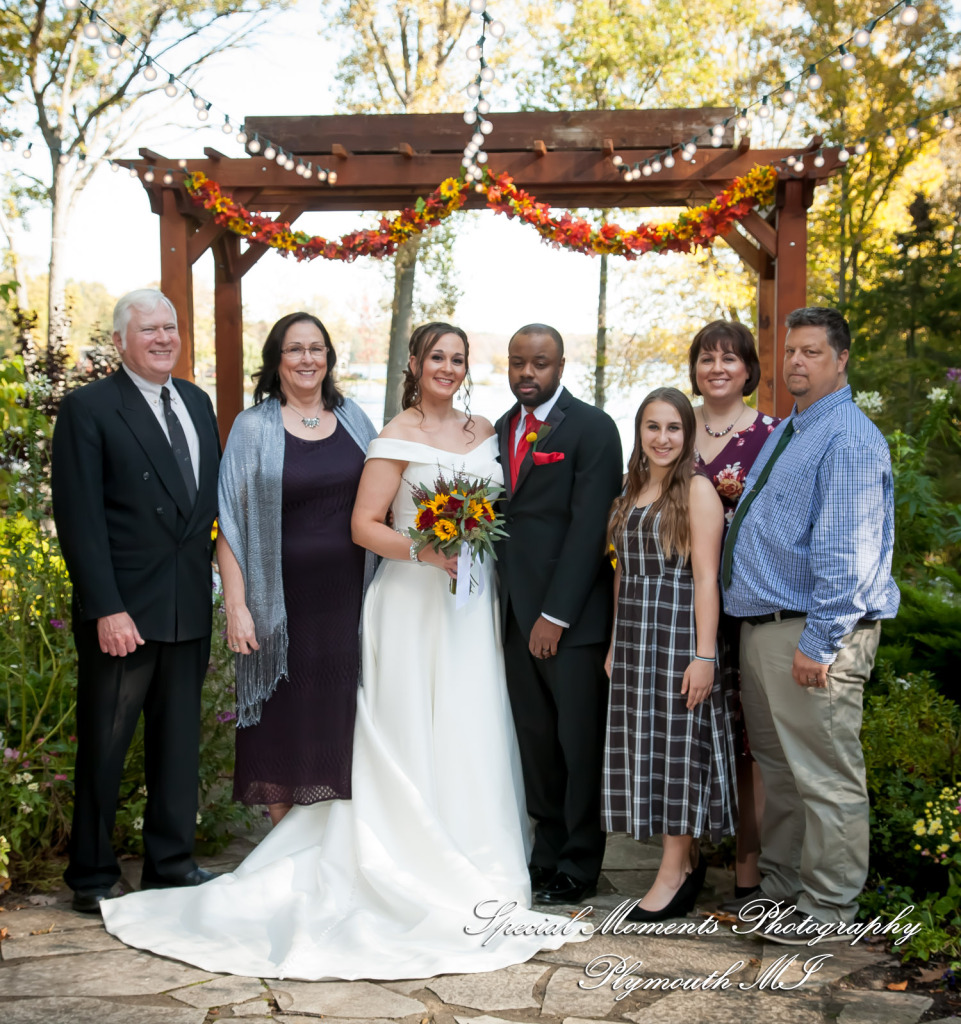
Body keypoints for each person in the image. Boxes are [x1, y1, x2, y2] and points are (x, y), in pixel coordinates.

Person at [101, 322, 588, 978]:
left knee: (470, 724)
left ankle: (475, 850)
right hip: (407, 599)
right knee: (396, 729)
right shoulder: (383, 431)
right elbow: (356, 524)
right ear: (414, 363)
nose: (446, 367)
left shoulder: (482, 431)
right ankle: (403, 855)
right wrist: (425, 549)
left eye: (457, 358)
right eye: (435, 357)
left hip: (470, 608)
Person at [721, 307, 900, 940]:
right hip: (765, 628)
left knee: (825, 777)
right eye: (792, 350)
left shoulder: (847, 437)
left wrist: (820, 643)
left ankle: (827, 909)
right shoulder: (793, 428)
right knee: (782, 773)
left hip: (811, 632)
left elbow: (849, 554)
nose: (797, 361)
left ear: (842, 359)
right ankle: (782, 891)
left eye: (813, 351)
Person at [51, 288, 220, 913]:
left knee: (177, 745)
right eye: (148, 330)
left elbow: (203, 502)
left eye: (169, 328)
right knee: (106, 745)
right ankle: (92, 876)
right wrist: (106, 607)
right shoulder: (89, 408)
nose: (163, 338)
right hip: (123, 608)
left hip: (185, 601)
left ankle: (171, 864)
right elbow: (80, 518)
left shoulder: (197, 402)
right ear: (121, 341)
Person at [217, 312, 377, 827]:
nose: (307, 359)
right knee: (283, 725)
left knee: (339, 719)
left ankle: (331, 841)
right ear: (276, 360)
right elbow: (231, 525)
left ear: (328, 357)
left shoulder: (354, 418)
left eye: (316, 348)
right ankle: (283, 844)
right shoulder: (252, 428)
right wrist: (237, 607)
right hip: (280, 607)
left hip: (349, 604)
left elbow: (387, 497)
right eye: (295, 349)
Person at [495, 324, 623, 905]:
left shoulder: (593, 428)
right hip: (513, 616)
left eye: (540, 363)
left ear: (561, 365)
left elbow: (592, 527)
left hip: (570, 621)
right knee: (537, 743)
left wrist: (556, 615)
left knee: (578, 744)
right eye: (518, 362)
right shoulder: (501, 429)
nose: (528, 373)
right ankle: (545, 854)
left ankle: (579, 862)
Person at [604, 387, 736, 922]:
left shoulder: (697, 490)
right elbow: (622, 573)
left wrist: (705, 657)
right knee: (650, 749)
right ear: (639, 432)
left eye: (673, 428)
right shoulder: (631, 488)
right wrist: (616, 642)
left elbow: (707, 579)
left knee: (679, 749)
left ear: (688, 434)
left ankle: (673, 871)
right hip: (636, 638)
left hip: (680, 634)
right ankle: (685, 860)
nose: (662, 438)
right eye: (652, 427)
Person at [688, 320, 779, 902]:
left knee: (749, 740)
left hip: (745, 601)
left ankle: (749, 869)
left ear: (748, 369)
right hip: (679, 602)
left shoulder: (772, 435)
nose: (717, 368)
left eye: (729, 358)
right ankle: (686, 856)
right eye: (706, 357)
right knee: (686, 727)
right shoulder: (672, 425)